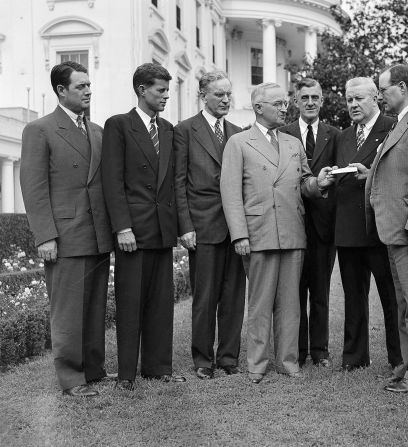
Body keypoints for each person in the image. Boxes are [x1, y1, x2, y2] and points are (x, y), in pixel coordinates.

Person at [220, 82, 336, 384]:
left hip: (293, 233)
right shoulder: (239, 142)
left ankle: (288, 362)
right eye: (279, 103)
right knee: (259, 304)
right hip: (258, 234)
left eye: (286, 102)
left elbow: (304, 183)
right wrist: (240, 235)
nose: (285, 107)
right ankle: (257, 364)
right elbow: (231, 193)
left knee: (290, 304)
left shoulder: (293, 143)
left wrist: (318, 183)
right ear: (259, 107)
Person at [20, 61, 114, 397]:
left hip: (97, 234)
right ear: (61, 90)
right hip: (65, 234)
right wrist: (45, 235)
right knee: (68, 312)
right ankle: (72, 378)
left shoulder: (98, 131)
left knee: (94, 308)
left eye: (89, 85)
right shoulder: (40, 129)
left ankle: (94, 369)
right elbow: (33, 187)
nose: (88, 91)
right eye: (80, 87)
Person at [354, 64, 408, 393]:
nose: (380, 95)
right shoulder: (401, 123)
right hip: (394, 230)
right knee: (405, 303)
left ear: (403, 87)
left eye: (384, 89)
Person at [102, 63, 186, 390]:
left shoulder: (168, 129)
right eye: (160, 90)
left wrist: (178, 227)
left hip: (162, 230)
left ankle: (158, 368)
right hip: (132, 233)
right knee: (130, 303)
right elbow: (112, 181)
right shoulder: (118, 126)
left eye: (167, 90)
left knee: (161, 304)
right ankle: (126, 374)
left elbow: (172, 183)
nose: (166, 96)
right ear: (141, 89)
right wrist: (122, 227)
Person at [174, 71, 246, 380]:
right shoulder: (185, 130)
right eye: (219, 94)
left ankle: (228, 358)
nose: (226, 99)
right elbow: (177, 183)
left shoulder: (238, 131)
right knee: (204, 298)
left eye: (229, 94)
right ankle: (203, 360)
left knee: (233, 296)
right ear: (204, 95)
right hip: (202, 226)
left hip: (235, 227)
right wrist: (185, 226)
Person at [334, 77, 403, 374]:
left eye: (359, 99)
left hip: (380, 225)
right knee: (353, 295)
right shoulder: (343, 136)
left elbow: (401, 170)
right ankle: (354, 356)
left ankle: (399, 356)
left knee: (391, 295)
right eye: (349, 100)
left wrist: (372, 174)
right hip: (348, 226)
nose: (353, 105)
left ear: (375, 98)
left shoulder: (394, 126)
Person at [279, 78, 339, 368]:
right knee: (293, 291)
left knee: (320, 291)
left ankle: (320, 350)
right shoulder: (282, 134)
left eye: (316, 97)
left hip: (325, 227)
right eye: (305, 98)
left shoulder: (335, 135)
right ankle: (297, 350)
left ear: (323, 101)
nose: (311, 102)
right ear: (296, 102)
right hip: (293, 223)